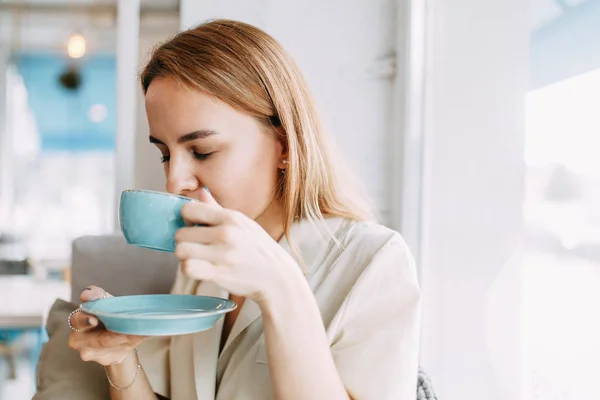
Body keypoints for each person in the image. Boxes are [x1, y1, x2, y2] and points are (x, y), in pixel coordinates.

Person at [67, 19, 421, 400]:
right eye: (165, 155)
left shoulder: (372, 263)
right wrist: (119, 358)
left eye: (202, 151)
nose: (174, 182)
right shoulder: (204, 263)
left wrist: (281, 290)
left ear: (284, 146)